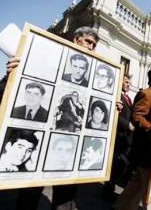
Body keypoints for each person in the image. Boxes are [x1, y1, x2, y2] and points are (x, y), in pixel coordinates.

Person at [7, 26, 103, 210]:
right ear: (76, 39)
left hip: (70, 141)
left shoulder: (92, 75)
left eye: (94, 45)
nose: (91, 48)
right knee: (31, 189)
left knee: (67, 193)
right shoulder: (51, 59)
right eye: (88, 42)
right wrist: (18, 69)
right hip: (42, 137)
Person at [113, 67, 151, 210]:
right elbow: (137, 117)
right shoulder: (146, 94)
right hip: (146, 148)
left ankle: (121, 206)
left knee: (137, 183)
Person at [103, 75, 135, 200]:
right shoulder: (116, 96)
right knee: (115, 165)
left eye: (129, 82)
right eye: (126, 82)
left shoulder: (127, 98)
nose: (128, 84)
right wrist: (128, 125)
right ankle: (108, 190)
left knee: (122, 164)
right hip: (117, 136)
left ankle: (111, 187)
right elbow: (112, 114)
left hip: (126, 137)